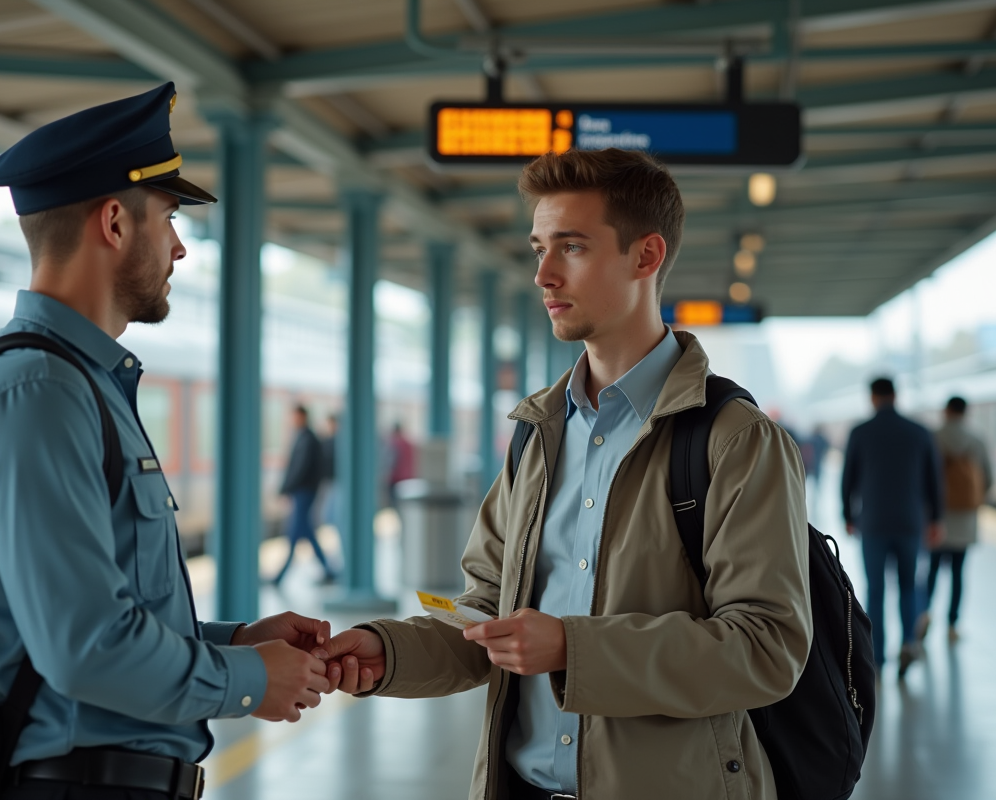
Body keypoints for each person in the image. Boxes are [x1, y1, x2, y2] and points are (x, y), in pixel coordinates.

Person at [316, 148, 811, 799]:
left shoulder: (735, 441)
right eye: (539, 247)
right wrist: (391, 651)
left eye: (571, 247)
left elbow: (766, 648)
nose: (543, 274)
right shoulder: (538, 434)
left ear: (646, 256)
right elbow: (486, 615)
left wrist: (575, 649)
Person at [0, 83, 331, 800]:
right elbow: (83, 649)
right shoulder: (38, 393)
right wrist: (248, 681)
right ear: (114, 222)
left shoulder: (79, 384)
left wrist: (235, 642)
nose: (179, 247)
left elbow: (102, 614)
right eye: (170, 218)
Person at [841, 377, 944, 680]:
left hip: (873, 523)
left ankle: (877, 656)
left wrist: (848, 514)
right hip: (911, 523)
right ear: (895, 396)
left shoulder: (860, 432)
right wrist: (936, 519)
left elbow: (848, 478)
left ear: (872, 397)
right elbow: (934, 480)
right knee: (909, 586)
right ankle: (909, 643)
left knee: (876, 590)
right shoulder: (920, 432)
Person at [918, 396, 992, 643]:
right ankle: (952, 625)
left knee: (932, 571)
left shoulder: (933, 437)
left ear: (946, 411)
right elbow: (988, 479)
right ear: (965, 412)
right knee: (959, 574)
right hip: (965, 520)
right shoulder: (977, 440)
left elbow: (922, 479)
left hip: (936, 520)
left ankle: (924, 615)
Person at [274, 405, 336, 584]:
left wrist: (285, 488)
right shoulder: (305, 437)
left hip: (304, 492)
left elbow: (299, 468)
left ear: (302, 417)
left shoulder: (307, 439)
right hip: (303, 491)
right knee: (306, 532)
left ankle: (280, 576)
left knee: (294, 533)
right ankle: (327, 569)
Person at [386, 421, 416, 508]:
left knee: (395, 507)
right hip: (408, 480)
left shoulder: (394, 444)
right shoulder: (409, 444)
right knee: (405, 507)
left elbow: (391, 463)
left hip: (395, 480)